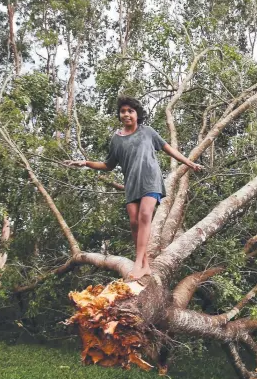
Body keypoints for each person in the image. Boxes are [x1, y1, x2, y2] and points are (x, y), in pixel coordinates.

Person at [67, 96, 204, 280]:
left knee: (145, 215)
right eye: (123, 111)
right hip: (131, 184)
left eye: (130, 111)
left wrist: (190, 163)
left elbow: (168, 148)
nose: (126, 114)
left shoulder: (148, 131)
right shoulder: (116, 140)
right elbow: (108, 165)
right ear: (119, 115)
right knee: (134, 223)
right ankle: (145, 265)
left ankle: (138, 264)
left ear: (137, 114)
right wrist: (85, 162)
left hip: (150, 180)